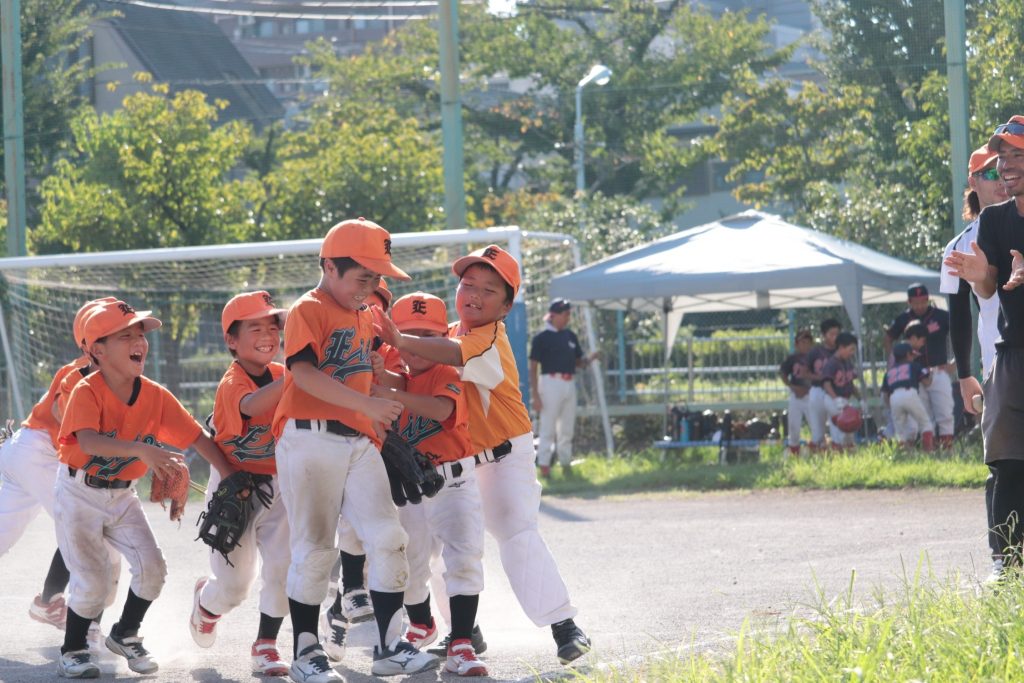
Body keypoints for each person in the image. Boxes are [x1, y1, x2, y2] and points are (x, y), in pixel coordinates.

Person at [374, 244, 591, 665]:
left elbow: (451, 353)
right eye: (468, 284)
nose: (474, 295)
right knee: (441, 542)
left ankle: (563, 624)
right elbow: (413, 370)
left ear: (506, 306)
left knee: (516, 533)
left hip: (504, 456)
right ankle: (464, 630)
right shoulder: (444, 331)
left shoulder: (489, 338)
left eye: (489, 290)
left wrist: (399, 338)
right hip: (457, 461)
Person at [270, 217, 437, 682]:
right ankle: (306, 653)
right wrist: (366, 404)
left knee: (388, 537)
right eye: (362, 276)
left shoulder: (366, 315)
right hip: (309, 438)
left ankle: (389, 646)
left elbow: (363, 371)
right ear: (330, 266)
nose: (370, 287)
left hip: (358, 441)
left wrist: (377, 388)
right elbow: (303, 373)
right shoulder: (309, 308)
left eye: (376, 278)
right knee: (316, 549)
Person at [53, 298, 238, 677]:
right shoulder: (87, 390)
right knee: (93, 579)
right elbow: (87, 441)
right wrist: (142, 450)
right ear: (98, 351)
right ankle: (72, 650)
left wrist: (230, 475)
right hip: (78, 494)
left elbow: (196, 437)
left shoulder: (155, 395)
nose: (139, 341)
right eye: (125, 336)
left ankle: (125, 633)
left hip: (123, 495)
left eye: (140, 334)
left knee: (153, 568)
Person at [372, 291, 488, 676]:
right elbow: (394, 381)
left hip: (454, 483)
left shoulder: (449, 372)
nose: (417, 343)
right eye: (409, 335)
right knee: (409, 561)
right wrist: (376, 371)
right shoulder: (404, 378)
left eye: (428, 335)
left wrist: (387, 391)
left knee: (463, 558)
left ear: (444, 339)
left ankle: (462, 643)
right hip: (414, 487)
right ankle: (422, 623)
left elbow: (440, 408)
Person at [0, 297, 115, 646]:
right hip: (40, 454)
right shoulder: (80, 373)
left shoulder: (112, 376)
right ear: (92, 345)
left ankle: (49, 604)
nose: (133, 338)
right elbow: (64, 415)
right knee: (93, 529)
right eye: (121, 333)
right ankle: (88, 626)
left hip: (25, 454)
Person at [187, 291, 291, 677]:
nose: (268, 335)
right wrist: (299, 373)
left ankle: (266, 644)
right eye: (255, 328)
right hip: (236, 485)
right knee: (234, 587)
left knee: (283, 567)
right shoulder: (233, 383)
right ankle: (206, 603)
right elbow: (252, 405)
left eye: (273, 327)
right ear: (231, 340)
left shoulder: (284, 373)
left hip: (280, 483)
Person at [946, 115, 1024, 570]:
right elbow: (990, 286)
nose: (1006, 165)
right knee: (1006, 463)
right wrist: (980, 277)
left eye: (1016, 155)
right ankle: (1007, 565)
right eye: (1001, 157)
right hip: (1009, 357)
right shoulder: (992, 222)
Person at [940, 143, 1008, 581]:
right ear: (972, 182)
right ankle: (1003, 559)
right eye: (989, 173)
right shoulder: (961, 245)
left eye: (1005, 170)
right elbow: (958, 316)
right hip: (998, 367)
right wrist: (965, 375)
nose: (1000, 179)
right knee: (1002, 464)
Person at [529, 299, 598, 477]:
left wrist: (589, 359)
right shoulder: (541, 338)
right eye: (565, 314)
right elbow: (533, 367)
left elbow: (578, 362)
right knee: (548, 427)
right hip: (550, 382)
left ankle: (565, 463)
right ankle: (544, 465)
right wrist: (535, 395)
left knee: (567, 427)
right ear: (554, 315)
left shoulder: (570, 336)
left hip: (569, 382)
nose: (568, 318)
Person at [884, 284, 954, 447]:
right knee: (923, 414)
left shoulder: (941, 316)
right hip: (914, 375)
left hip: (939, 371)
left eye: (923, 301)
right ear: (909, 302)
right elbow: (888, 338)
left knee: (945, 412)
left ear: (928, 299)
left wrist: (955, 362)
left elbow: (961, 333)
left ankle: (947, 450)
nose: (920, 305)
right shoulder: (903, 319)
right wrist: (893, 361)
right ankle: (929, 450)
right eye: (915, 302)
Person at [881, 342, 933, 449]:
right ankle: (928, 451)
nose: (913, 357)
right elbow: (926, 383)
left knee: (900, 431)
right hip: (909, 393)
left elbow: (885, 394)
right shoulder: (914, 366)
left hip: (894, 397)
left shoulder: (889, 372)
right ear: (908, 355)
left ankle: (904, 452)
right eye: (912, 355)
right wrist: (931, 374)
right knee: (925, 423)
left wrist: (891, 407)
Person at [821, 332, 861, 450]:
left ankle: (847, 449)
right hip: (832, 398)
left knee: (849, 428)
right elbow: (826, 384)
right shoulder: (832, 363)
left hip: (844, 400)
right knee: (841, 425)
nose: (852, 353)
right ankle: (838, 449)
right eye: (851, 349)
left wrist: (860, 398)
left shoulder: (847, 363)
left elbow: (850, 384)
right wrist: (836, 399)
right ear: (841, 347)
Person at [807, 319, 842, 450]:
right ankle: (818, 448)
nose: (835, 337)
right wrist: (821, 377)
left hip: (835, 391)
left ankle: (837, 449)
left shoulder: (841, 351)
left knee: (837, 424)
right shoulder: (815, 352)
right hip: (818, 389)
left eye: (837, 334)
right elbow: (805, 372)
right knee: (817, 426)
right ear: (823, 335)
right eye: (831, 334)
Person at [779, 329, 814, 455]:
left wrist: (809, 389)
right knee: (793, 426)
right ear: (796, 344)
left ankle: (817, 449)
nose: (805, 345)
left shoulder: (815, 358)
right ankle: (794, 450)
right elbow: (783, 374)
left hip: (811, 396)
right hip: (796, 396)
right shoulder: (792, 358)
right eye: (802, 342)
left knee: (816, 426)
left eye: (807, 342)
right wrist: (792, 387)